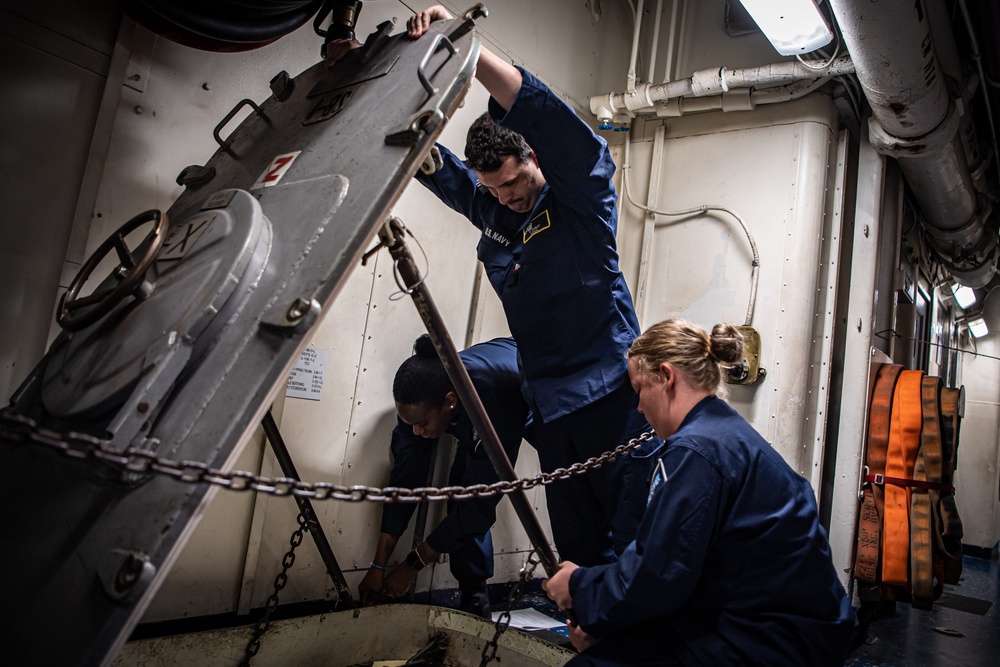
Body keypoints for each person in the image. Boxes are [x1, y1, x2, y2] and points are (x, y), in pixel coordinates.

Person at [406, 5, 656, 567]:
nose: (508, 196)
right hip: (552, 406)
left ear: (533, 158)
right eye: (494, 189)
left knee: (635, 538)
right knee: (577, 548)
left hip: (612, 397)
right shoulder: (498, 208)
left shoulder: (580, 202)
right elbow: (448, 178)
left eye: (515, 182)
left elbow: (566, 136)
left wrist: (468, 53)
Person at [541, 319, 857, 666]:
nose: (639, 408)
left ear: (666, 376)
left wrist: (579, 587)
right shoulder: (724, 434)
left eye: (640, 389)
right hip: (789, 628)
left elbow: (659, 576)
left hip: (769, 641)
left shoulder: (697, 451)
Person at [358, 334, 529, 619]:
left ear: (449, 402)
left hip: (528, 392)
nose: (415, 431)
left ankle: (476, 598)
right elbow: (405, 483)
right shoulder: (419, 404)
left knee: (469, 493)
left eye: (422, 424)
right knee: (458, 486)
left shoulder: (492, 400)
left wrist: (412, 564)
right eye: (409, 423)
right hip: (474, 403)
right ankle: (473, 591)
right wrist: (379, 566)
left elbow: (478, 506)